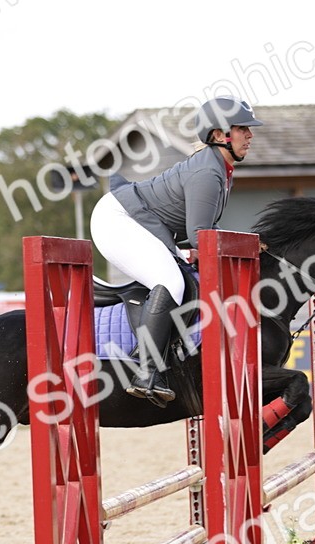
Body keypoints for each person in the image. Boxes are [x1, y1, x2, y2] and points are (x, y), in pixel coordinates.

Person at [90, 96, 263, 406]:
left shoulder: (220, 170)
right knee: (172, 281)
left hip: (137, 221)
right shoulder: (209, 173)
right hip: (117, 220)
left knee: (180, 276)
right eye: (242, 129)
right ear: (219, 134)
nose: (250, 135)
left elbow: (200, 237)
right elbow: (200, 237)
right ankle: (147, 370)